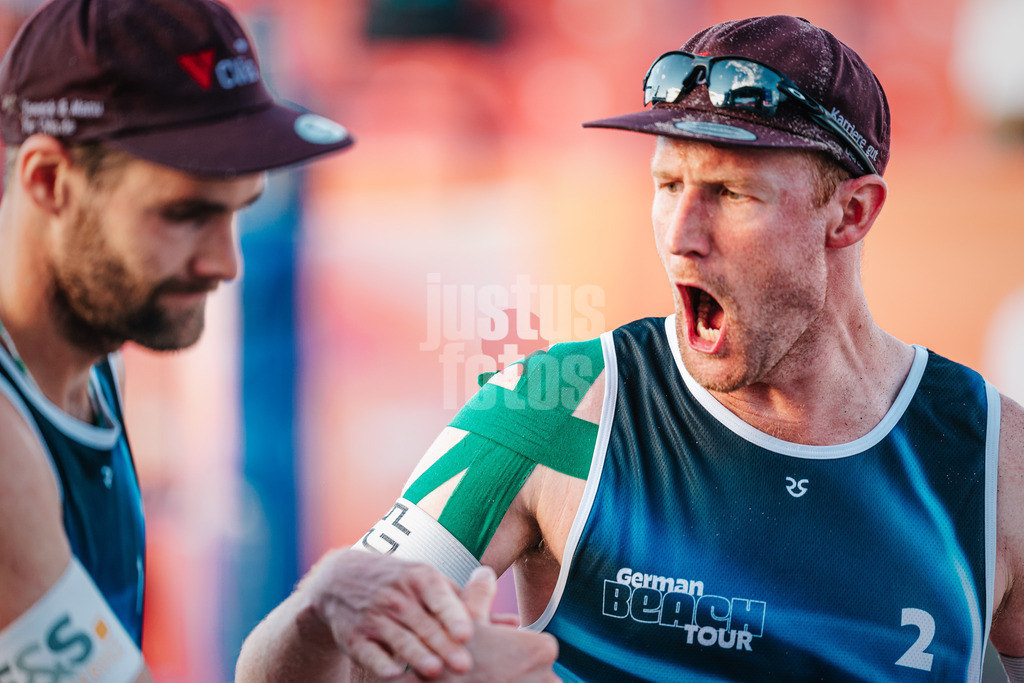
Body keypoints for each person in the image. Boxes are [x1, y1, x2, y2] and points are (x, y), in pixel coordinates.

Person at [236, 13, 1024, 683]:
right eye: (668, 184)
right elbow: (288, 667)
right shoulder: (553, 406)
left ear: (850, 215)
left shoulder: (994, 456)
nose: (682, 237)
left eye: (730, 194)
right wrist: (322, 603)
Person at [0, 0, 557, 681]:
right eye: (183, 215)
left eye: (235, 214)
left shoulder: (83, 356)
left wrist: (321, 605)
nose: (224, 262)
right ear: (49, 180)